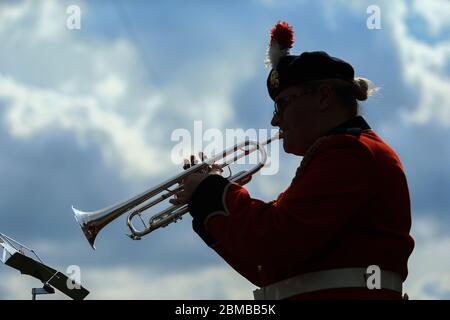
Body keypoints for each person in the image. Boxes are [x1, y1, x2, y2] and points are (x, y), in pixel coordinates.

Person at [170, 21, 414, 300]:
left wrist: (212, 192)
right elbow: (266, 268)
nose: (275, 120)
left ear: (323, 97)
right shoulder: (334, 156)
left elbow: (274, 242)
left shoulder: (350, 153)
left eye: (282, 104)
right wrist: (207, 202)